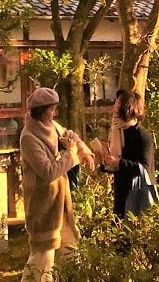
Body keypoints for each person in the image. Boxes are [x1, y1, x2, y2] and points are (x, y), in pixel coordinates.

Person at [19, 87, 95, 282]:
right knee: (42, 262)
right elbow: (48, 172)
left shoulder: (52, 126)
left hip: (61, 203)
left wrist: (83, 150)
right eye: (51, 109)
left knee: (72, 255)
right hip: (43, 206)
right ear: (41, 111)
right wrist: (71, 154)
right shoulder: (28, 137)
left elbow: (71, 135)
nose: (54, 113)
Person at [99, 90, 156, 218]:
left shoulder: (141, 136)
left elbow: (144, 169)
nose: (115, 106)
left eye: (119, 103)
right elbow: (116, 167)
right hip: (121, 195)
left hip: (137, 197)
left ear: (128, 108)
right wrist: (104, 161)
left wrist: (118, 162)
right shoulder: (117, 132)